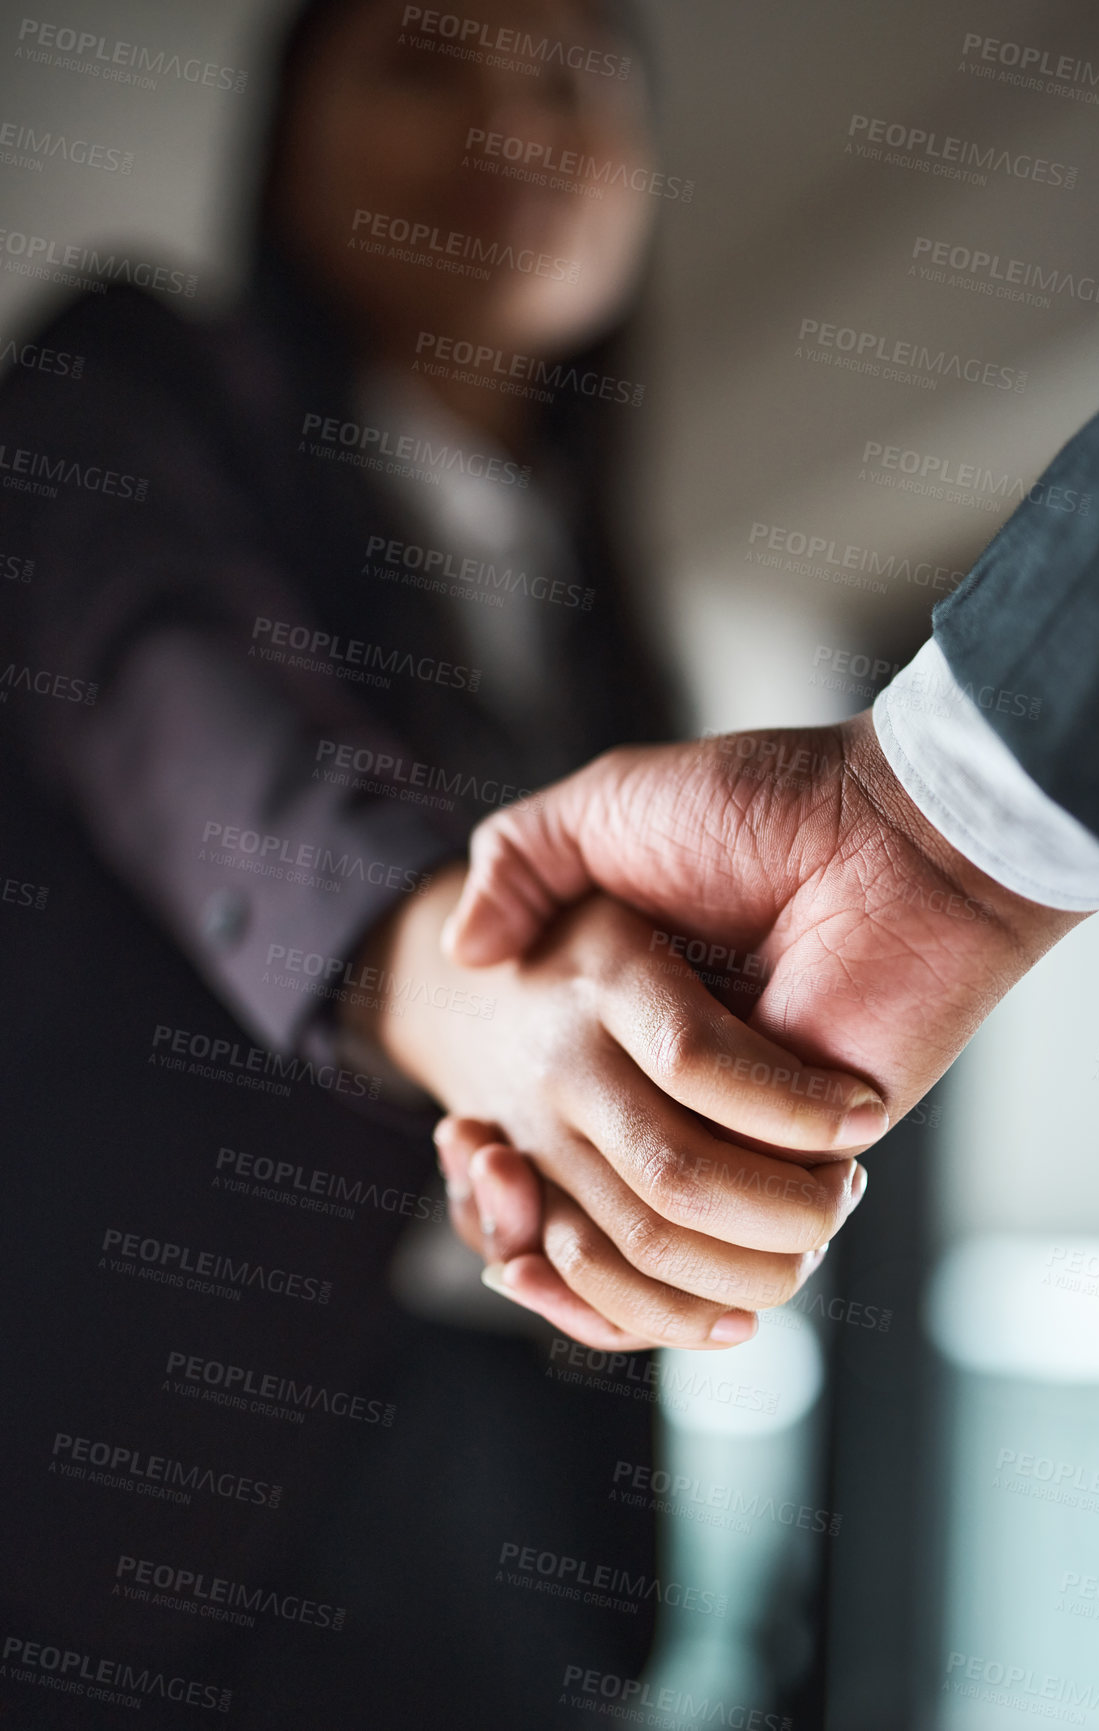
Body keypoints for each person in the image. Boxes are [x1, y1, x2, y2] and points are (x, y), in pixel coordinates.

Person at [2, 0, 851, 1721]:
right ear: (285, 128)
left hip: (526, 1461)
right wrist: (479, 1002)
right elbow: (191, 714)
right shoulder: (131, 382)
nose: (513, 133)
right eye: (421, 65)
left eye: (572, 84)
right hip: (161, 1472)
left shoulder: (612, 620)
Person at [433, 299, 1099, 1345]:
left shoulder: (596, 575)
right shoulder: (153, 389)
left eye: (588, 118)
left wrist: (923, 833)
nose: (511, 133)